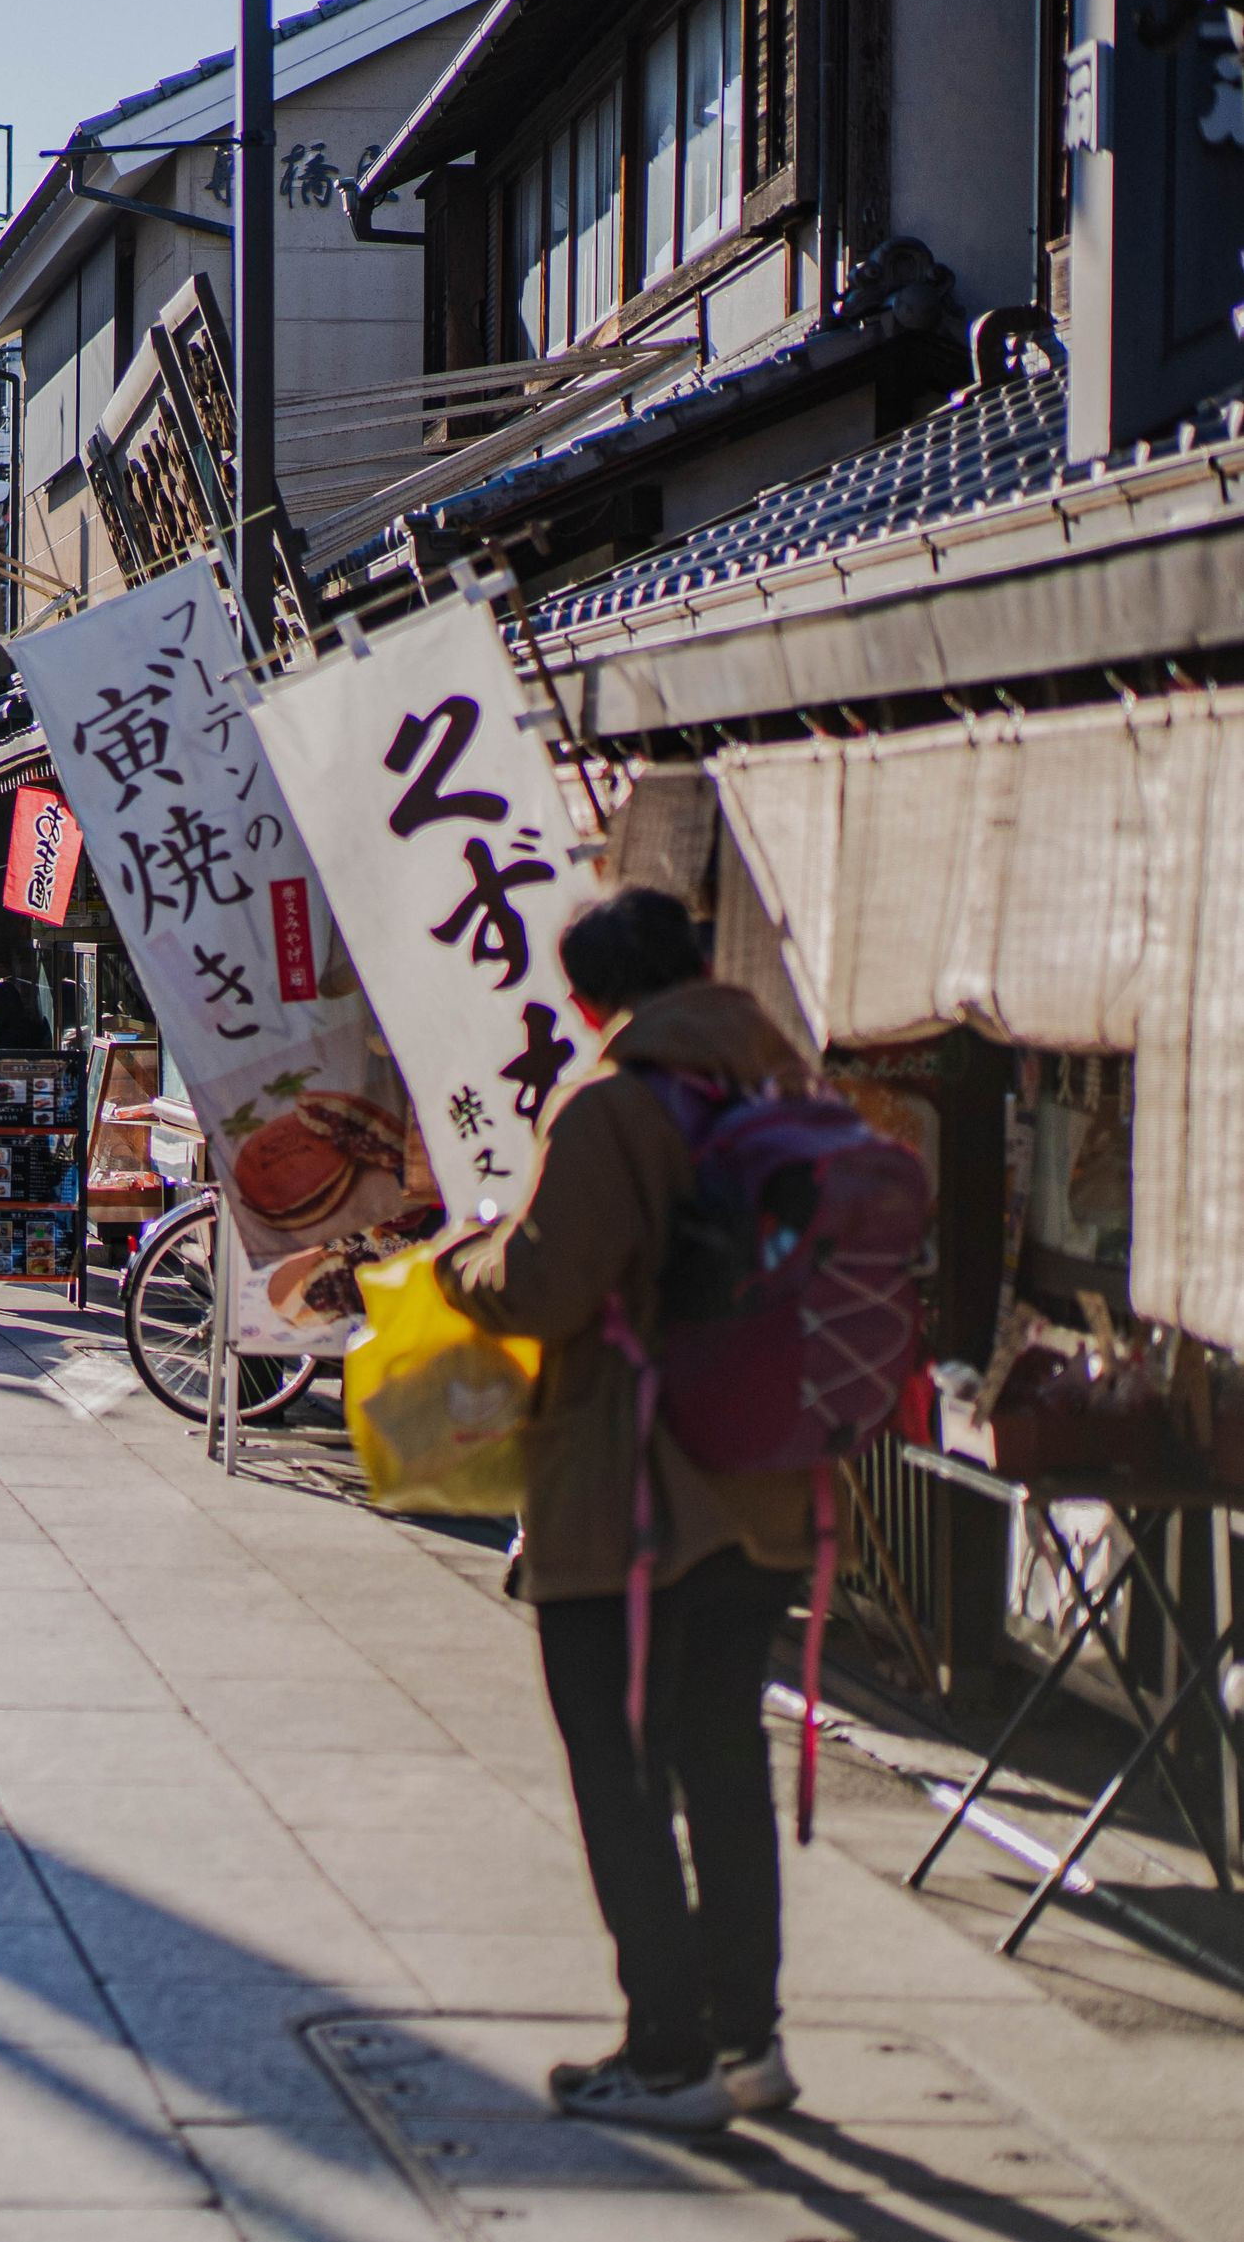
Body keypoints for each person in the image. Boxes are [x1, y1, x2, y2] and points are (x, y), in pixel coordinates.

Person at [433, 888, 818, 2135]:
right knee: (723, 1765)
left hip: (631, 1499)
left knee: (618, 1772)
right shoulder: (777, 1085)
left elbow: (541, 1290)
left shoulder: (611, 1103)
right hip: (767, 1489)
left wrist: (461, 1255)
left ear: (589, 997)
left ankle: (665, 2055)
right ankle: (747, 2042)